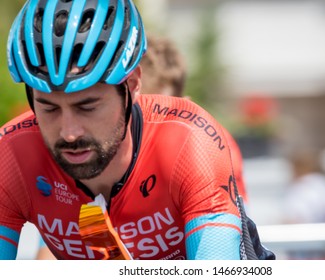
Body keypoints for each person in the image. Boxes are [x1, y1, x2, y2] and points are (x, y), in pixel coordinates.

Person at [1, 0, 272, 260]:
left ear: (131, 85)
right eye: (49, 109)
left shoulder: (188, 141)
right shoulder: (11, 156)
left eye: (88, 107)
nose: (69, 133)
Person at [139, 33, 249, 205]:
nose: (148, 121)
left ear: (184, 105)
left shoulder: (211, 143)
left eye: (160, 109)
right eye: (140, 109)